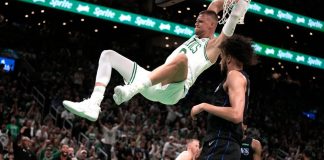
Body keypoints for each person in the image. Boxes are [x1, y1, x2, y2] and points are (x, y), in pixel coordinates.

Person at [63, 0, 251, 121]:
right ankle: (94, 104)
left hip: (174, 90)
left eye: (200, 21)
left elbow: (232, 18)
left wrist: (241, 4)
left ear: (212, 25)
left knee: (181, 59)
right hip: (153, 81)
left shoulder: (214, 47)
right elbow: (215, 6)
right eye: (196, 20)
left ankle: (131, 89)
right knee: (108, 54)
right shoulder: (198, 34)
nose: (196, 22)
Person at [190, 34, 255, 159]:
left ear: (229, 58)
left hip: (223, 146)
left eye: (222, 56)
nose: (221, 60)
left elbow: (236, 114)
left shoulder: (234, 75)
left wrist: (204, 106)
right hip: (219, 145)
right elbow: (236, 125)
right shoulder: (236, 78)